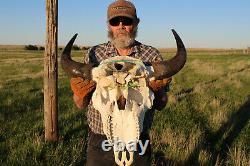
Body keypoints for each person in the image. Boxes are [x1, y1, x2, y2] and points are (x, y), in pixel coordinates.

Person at [70, 0, 172, 165]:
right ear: (109, 25)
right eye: (115, 21)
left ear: (136, 23)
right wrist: (80, 93)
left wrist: (159, 91)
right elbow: (81, 104)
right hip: (100, 141)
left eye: (127, 21)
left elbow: (161, 104)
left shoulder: (151, 55)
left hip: (138, 138)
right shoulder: (94, 54)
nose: (121, 26)